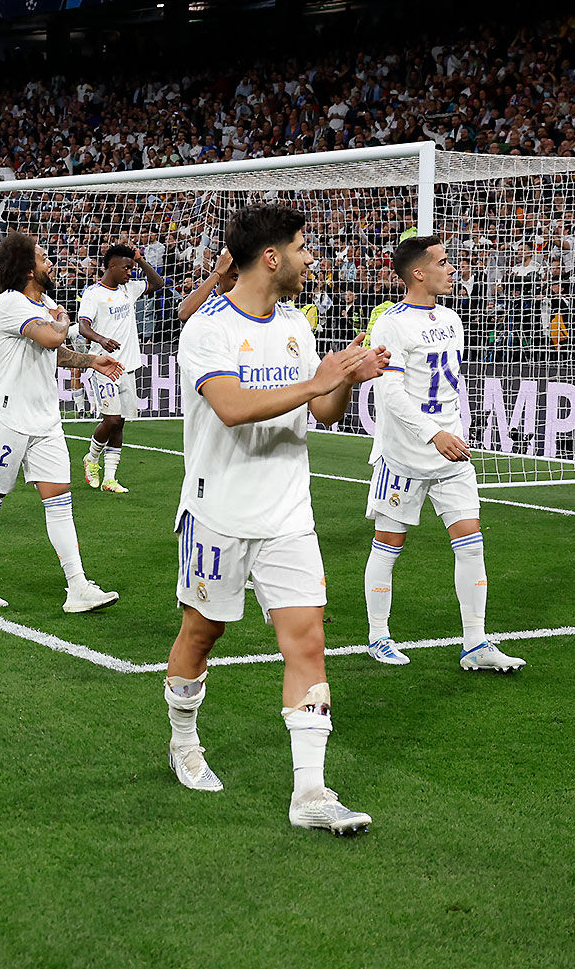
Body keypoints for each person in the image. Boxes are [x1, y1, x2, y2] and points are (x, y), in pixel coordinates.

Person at [162, 204, 387, 835]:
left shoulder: (296, 326)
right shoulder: (207, 329)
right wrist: (320, 381)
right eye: (302, 247)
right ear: (271, 258)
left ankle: (310, 795)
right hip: (217, 512)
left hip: (289, 512)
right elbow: (232, 408)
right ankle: (183, 739)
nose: (310, 258)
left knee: (308, 639)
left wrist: (348, 378)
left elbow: (324, 416)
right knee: (202, 636)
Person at [363, 233, 525, 672]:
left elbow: (453, 383)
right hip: (404, 457)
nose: (453, 268)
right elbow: (390, 392)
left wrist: (458, 429)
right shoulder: (391, 324)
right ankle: (379, 636)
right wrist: (434, 433)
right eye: (444, 262)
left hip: (451, 456)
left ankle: (475, 643)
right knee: (389, 547)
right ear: (419, 273)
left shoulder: (452, 319)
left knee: (471, 544)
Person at [0, 232, 122, 614]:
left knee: (60, 502)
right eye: (44, 258)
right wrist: (62, 318)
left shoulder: (42, 303)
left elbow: (56, 352)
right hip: (7, 417)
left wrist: (90, 361)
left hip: (45, 419)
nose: (51, 264)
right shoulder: (9, 303)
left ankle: (78, 586)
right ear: (29, 268)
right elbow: (50, 337)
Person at [77, 243, 165, 493]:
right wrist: (101, 339)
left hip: (128, 367)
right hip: (103, 366)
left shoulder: (130, 289)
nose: (130, 272)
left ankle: (110, 478)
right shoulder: (94, 294)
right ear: (112, 266)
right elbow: (83, 326)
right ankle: (91, 458)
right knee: (112, 419)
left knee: (120, 423)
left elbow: (157, 283)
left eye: (132, 268)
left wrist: (140, 260)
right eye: (127, 268)